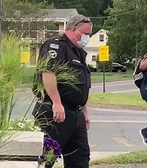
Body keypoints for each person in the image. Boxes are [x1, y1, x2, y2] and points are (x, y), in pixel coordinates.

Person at [32, 14, 92, 168]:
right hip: (57, 113)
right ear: (73, 29)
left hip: (75, 114)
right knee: (48, 157)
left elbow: (81, 85)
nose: (87, 37)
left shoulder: (79, 52)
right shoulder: (56, 46)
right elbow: (48, 73)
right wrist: (57, 103)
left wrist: (85, 111)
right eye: (85, 33)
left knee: (80, 158)